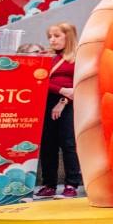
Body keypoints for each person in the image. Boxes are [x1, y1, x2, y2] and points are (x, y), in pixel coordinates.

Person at [35, 23, 81, 199]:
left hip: (69, 103)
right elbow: (38, 79)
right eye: (50, 37)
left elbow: (78, 83)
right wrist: (61, 91)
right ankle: (49, 184)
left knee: (68, 143)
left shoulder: (78, 56)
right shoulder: (46, 57)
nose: (52, 40)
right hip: (46, 101)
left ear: (68, 36)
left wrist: (63, 100)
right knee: (48, 145)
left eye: (56, 36)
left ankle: (72, 183)